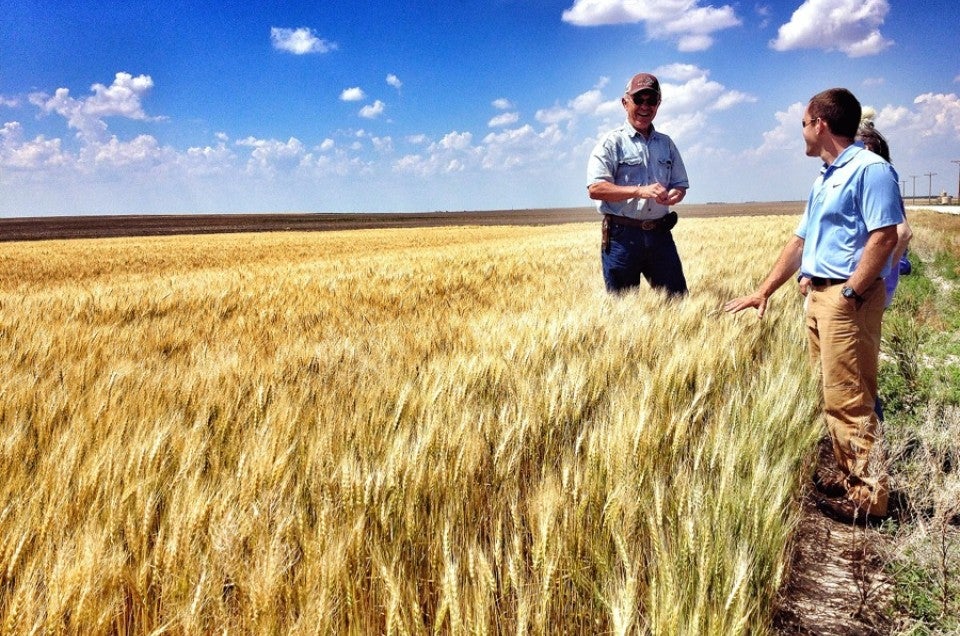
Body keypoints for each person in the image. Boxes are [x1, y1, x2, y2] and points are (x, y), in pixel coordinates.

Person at [724, 88, 905, 524]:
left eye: (803, 124)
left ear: (820, 124)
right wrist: (763, 290)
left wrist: (851, 293)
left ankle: (869, 499)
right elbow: (800, 242)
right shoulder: (825, 176)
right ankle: (851, 479)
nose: (801, 133)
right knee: (833, 395)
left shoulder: (871, 170)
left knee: (849, 398)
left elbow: (885, 237)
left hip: (845, 297)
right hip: (822, 295)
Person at [586, 72, 689, 296]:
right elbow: (595, 189)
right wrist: (640, 191)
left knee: (678, 302)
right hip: (622, 236)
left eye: (651, 100)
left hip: (660, 234)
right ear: (625, 102)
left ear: (658, 104)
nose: (645, 106)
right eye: (638, 99)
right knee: (623, 311)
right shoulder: (611, 143)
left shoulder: (666, 143)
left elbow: (680, 184)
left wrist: (674, 195)